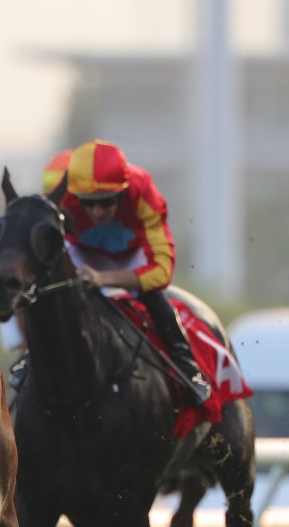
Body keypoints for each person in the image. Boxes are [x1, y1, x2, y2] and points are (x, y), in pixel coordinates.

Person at [56, 139, 211, 405]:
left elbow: (162, 272)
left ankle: (186, 367)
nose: (97, 211)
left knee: (153, 296)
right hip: (83, 252)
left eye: (106, 202)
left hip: (131, 255)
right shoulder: (61, 196)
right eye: (88, 203)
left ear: (122, 193)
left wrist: (103, 278)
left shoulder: (143, 190)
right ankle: (30, 358)